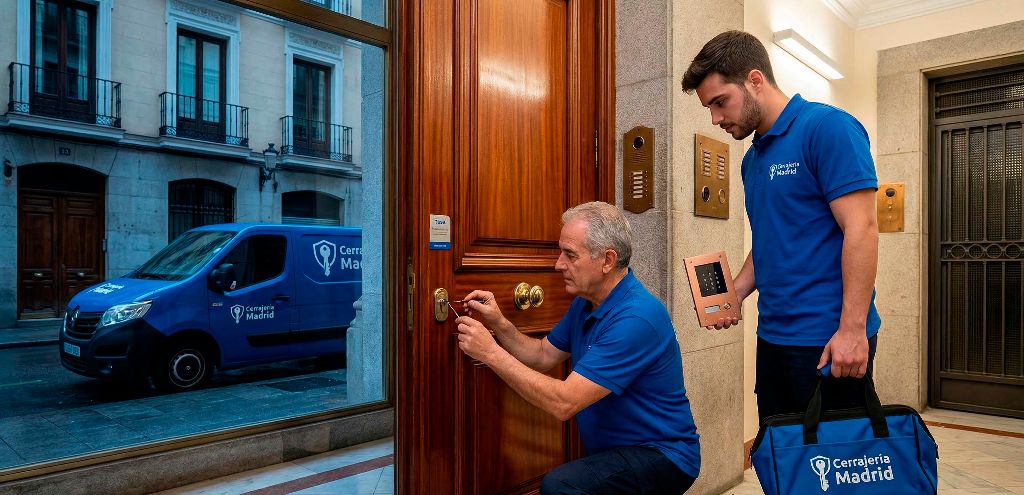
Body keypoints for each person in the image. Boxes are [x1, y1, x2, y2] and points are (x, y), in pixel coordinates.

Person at [680, 30, 882, 420]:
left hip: (829, 339)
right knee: (782, 460)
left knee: (833, 471)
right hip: (773, 336)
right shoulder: (751, 160)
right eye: (710, 107)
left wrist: (853, 330)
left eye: (721, 102)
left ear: (755, 80)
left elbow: (862, 229)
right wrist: (735, 293)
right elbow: (773, 238)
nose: (716, 118)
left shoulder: (828, 128)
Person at [454, 201, 700, 494]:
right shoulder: (586, 302)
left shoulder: (637, 317)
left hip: (662, 455)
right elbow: (543, 355)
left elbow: (564, 403)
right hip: (617, 452)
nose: (558, 264)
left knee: (561, 486)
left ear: (607, 260)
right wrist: (499, 324)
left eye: (570, 255)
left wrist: (490, 353)